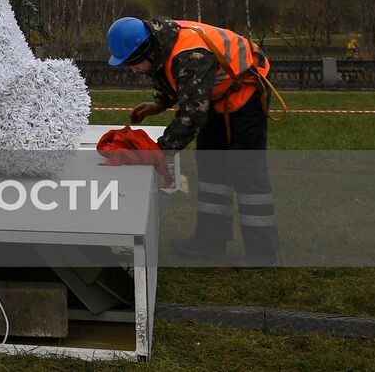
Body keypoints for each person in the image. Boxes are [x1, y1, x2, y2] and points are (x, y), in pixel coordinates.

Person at [107, 16, 279, 266]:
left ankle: (263, 250)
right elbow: (177, 77)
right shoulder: (162, 42)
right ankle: (210, 241)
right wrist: (161, 102)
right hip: (217, 94)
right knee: (211, 164)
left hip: (247, 89)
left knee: (247, 169)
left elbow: (192, 115)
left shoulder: (190, 53)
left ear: (147, 50)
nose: (132, 69)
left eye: (133, 63)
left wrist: (159, 152)